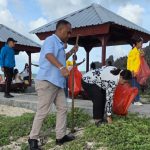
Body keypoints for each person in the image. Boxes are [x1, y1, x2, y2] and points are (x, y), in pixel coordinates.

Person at [28, 20, 78, 150]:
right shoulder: (51, 40)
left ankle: (60, 137)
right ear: (60, 30)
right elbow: (48, 55)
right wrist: (62, 67)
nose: (69, 35)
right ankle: (32, 140)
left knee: (62, 108)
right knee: (43, 111)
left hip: (58, 83)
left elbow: (61, 58)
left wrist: (72, 51)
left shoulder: (60, 44)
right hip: (47, 81)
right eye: (68, 32)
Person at [127, 36, 144, 106]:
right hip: (133, 72)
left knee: (136, 86)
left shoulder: (138, 51)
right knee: (135, 86)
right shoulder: (132, 51)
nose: (141, 45)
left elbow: (141, 59)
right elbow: (129, 62)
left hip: (138, 72)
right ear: (137, 43)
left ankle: (134, 100)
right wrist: (131, 71)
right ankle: (136, 100)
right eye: (140, 43)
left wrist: (142, 54)